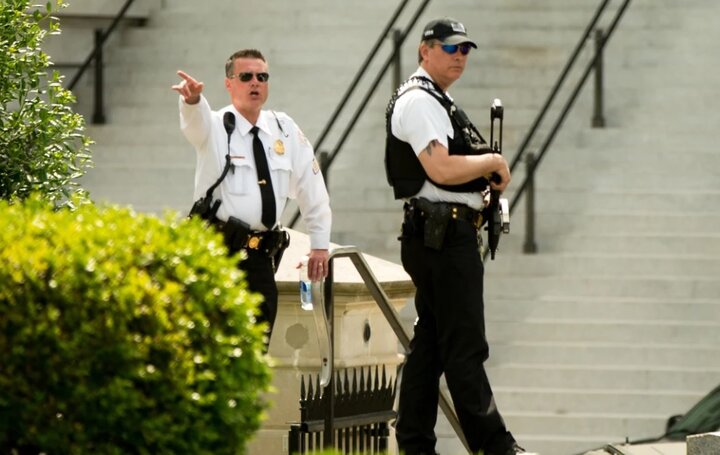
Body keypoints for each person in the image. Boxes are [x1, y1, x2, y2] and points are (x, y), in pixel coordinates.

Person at [385, 18, 535, 455]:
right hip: (442, 236)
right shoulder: (419, 101)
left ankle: (414, 444)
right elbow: (441, 168)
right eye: (451, 48)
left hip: (443, 234)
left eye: (465, 49)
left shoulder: (438, 100)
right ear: (424, 50)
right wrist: (493, 161)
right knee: (465, 346)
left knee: (430, 347)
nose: (460, 56)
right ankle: (495, 446)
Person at [172, 48, 331, 342]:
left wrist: (320, 244)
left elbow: (312, 187)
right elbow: (195, 124)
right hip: (219, 256)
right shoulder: (217, 125)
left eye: (262, 76)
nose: (255, 82)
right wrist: (192, 101)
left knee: (258, 347)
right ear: (229, 83)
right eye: (246, 76)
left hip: (260, 258)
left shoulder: (283, 128)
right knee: (216, 347)